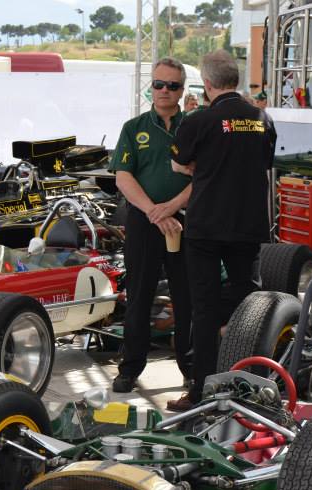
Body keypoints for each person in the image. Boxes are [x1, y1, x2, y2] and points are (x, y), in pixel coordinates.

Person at [168, 50, 277, 412]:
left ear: (208, 83)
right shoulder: (262, 118)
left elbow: (179, 163)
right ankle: (248, 385)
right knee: (248, 302)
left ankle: (200, 393)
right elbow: (262, 161)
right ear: (236, 81)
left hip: (206, 225)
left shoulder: (199, 120)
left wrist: (203, 167)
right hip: (247, 224)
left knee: (204, 306)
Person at [108, 57, 193, 396]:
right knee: (139, 296)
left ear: (182, 90)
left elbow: (204, 176)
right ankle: (130, 369)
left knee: (187, 299)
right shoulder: (134, 128)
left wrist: (172, 208)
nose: (163, 91)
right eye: (158, 84)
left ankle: (192, 370)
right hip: (144, 224)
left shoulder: (194, 127)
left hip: (185, 223)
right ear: (150, 87)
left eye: (172, 86)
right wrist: (154, 212)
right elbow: (123, 176)